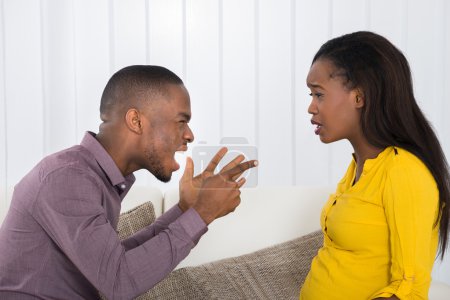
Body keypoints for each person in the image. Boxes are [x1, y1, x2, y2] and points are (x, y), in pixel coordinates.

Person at [0, 65, 258, 299]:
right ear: (136, 121)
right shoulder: (67, 178)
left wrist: (186, 209)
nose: (190, 135)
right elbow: (118, 281)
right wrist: (203, 213)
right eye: (182, 121)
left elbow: (114, 262)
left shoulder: (91, 176)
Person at [299, 31, 450, 299]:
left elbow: (409, 288)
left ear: (359, 97)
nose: (311, 107)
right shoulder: (359, 167)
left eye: (319, 95)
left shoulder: (404, 171)